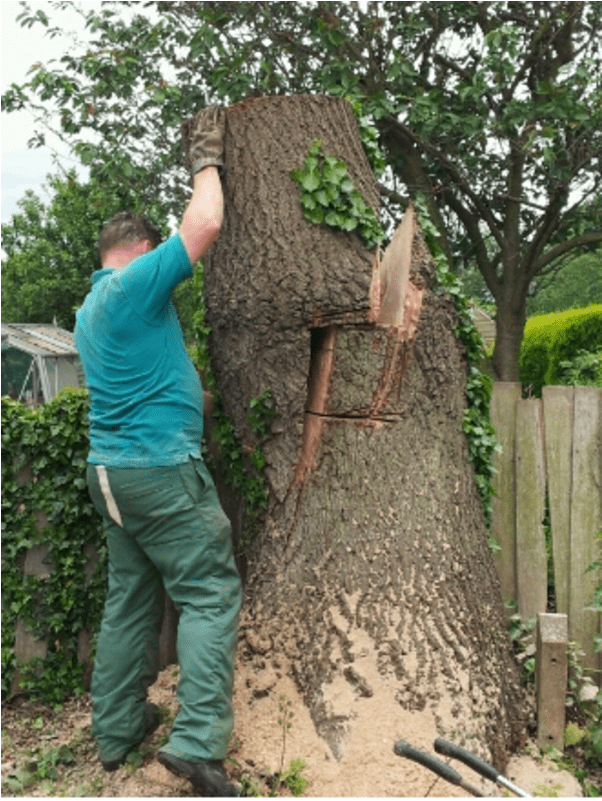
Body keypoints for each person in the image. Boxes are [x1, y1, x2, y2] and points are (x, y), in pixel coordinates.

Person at [74, 107, 243, 797]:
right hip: (157, 469)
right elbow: (203, 223)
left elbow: (146, 380)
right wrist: (207, 159)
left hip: (111, 474)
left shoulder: (93, 308)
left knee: (131, 600)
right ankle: (199, 743)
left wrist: (197, 398)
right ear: (142, 248)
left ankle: (116, 730)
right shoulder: (134, 282)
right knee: (208, 592)